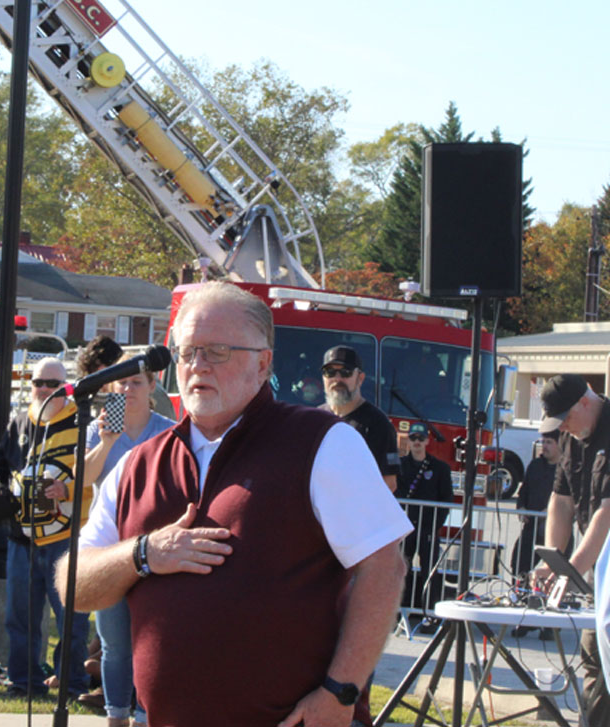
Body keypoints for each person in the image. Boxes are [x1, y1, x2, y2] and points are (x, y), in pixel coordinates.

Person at [63, 282, 411, 727]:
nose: (197, 365)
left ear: (263, 363)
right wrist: (143, 554)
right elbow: (73, 584)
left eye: (218, 351)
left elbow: (384, 568)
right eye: (186, 352)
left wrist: (339, 693)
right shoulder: (139, 463)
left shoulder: (322, 442)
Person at [0, 357, 91, 698]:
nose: (43, 389)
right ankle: (23, 681)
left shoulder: (81, 422)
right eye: (37, 383)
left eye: (52, 384)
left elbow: (96, 474)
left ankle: (70, 682)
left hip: (65, 538)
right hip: (20, 536)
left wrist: (68, 489)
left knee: (71, 618)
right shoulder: (19, 421)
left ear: (66, 387)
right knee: (20, 617)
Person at [80, 357, 173, 727]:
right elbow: (82, 479)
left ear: (153, 387)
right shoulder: (100, 429)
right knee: (115, 644)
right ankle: (116, 717)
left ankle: (145, 715)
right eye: (121, 383)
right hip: (111, 551)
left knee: (152, 641)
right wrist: (106, 442)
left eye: (136, 382)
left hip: (156, 553)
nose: (128, 390)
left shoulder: (168, 430)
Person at [534, 374, 610, 723]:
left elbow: (607, 514)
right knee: (594, 657)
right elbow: (561, 502)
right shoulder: (571, 437)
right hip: (600, 569)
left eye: (565, 417)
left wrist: (571, 570)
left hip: (601, 558)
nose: (563, 426)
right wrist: (552, 559)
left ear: (585, 400)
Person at [396, 422, 454, 625]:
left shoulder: (439, 468)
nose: (417, 442)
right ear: (408, 440)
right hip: (405, 529)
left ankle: (430, 614)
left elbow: (446, 499)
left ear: (428, 441)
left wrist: (435, 525)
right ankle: (400, 612)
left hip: (428, 528)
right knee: (402, 569)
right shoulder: (399, 466)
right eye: (413, 438)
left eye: (421, 439)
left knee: (430, 570)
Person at [321, 345, 399, 492]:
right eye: (330, 372)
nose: (337, 379)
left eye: (346, 372)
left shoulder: (378, 425)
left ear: (360, 379)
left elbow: (389, 483)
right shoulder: (315, 419)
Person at [512, 433, 561, 578]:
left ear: (560, 445)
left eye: (549, 442)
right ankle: (520, 597)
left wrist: (552, 511)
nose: (544, 446)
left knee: (555, 574)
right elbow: (523, 491)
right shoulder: (535, 465)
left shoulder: (566, 469)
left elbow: (571, 501)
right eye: (543, 442)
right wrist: (521, 508)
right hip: (531, 528)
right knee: (518, 567)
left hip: (557, 531)